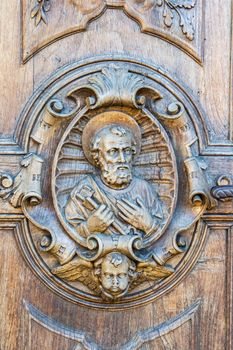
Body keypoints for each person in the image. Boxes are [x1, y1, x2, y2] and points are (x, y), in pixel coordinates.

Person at [65, 115, 163, 239]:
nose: (122, 159)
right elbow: (67, 234)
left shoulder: (143, 189)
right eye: (113, 152)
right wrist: (89, 227)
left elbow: (163, 233)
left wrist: (148, 225)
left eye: (127, 151)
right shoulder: (84, 190)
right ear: (98, 156)